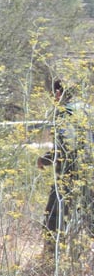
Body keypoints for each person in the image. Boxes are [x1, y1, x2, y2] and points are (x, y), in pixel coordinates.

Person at [38, 78, 94, 256]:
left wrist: (46, 159)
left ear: (58, 93)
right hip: (89, 172)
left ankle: (51, 258)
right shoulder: (88, 110)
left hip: (69, 173)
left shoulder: (65, 113)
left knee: (54, 216)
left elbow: (66, 145)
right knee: (90, 216)